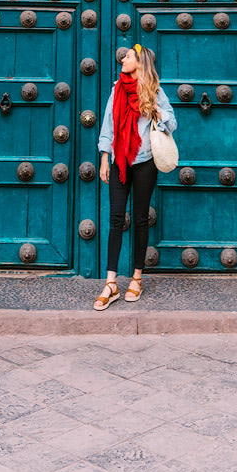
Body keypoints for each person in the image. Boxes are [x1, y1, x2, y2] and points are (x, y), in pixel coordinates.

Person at [93, 43, 176, 309]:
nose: (123, 59)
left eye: (128, 56)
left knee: (140, 219)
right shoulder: (117, 89)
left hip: (145, 162)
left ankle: (137, 278)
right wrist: (105, 158)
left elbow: (172, 123)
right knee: (116, 219)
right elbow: (108, 124)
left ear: (140, 62)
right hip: (119, 160)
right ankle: (110, 283)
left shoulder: (155, 91)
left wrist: (155, 109)